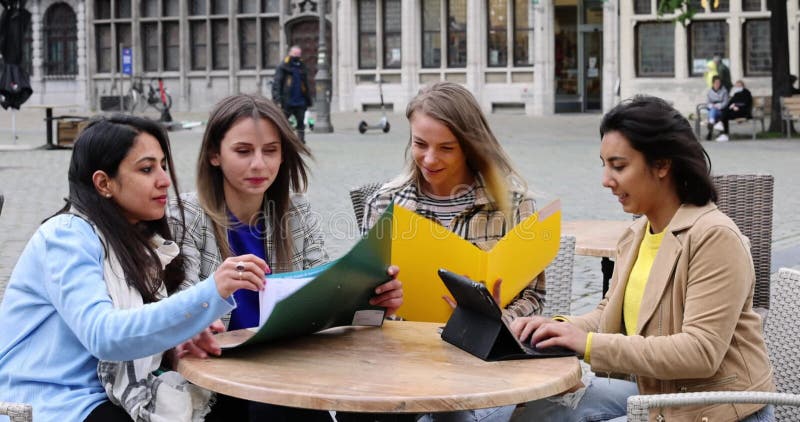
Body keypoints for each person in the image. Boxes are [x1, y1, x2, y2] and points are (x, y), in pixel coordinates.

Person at [512, 95, 775, 422]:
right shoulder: (636, 235)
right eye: (604, 165)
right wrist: (554, 329)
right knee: (540, 409)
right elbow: (608, 313)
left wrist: (588, 344)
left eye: (619, 166)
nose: (606, 180)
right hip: (662, 394)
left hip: (719, 407)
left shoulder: (714, 236)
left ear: (663, 164)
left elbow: (701, 352)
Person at [0, 115, 268, 421]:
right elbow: (104, 335)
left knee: (245, 404)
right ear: (103, 183)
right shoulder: (65, 236)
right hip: (53, 401)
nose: (164, 180)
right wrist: (211, 291)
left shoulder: (143, 242)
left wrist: (177, 338)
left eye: (163, 166)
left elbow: (136, 332)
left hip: (111, 392)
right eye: (146, 168)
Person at [169, 93, 404, 420]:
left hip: (288, 371)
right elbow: (180, 311)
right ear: (213, 154)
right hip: (218, 380)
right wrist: (216, 290)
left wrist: (373, 302)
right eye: (243, 151)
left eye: (270, 151)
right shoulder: (185, 215)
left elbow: (325, 295)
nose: (258, 164)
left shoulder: (296, 211)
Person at [358, 81, 545, 422]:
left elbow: (533, 296)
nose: (430, 159)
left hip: (481, 362)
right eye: (420, 144)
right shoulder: (385, 203)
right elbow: (362, 307)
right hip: (403, 363)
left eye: (446, 148)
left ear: (470, 147)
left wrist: (497, 316)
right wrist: (379, 301)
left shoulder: (515, 204)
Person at [271, 45, 313, 143]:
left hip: (300, 101)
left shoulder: (301, 66)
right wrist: (277, 99)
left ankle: (301, 141)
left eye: (298, 54)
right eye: (295, 54)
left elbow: (305, 84)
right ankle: (282, 141)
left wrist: (308, 100)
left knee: (301, 123)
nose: (297, 56)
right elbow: (277, 83)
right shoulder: (283, 66)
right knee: (283, 123)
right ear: (290, 53)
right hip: (287, 101)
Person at [706, 75, 729, 141]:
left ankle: (711, 122)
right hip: (712, 109)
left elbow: (725, 102)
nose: (718, 84)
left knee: (713, 111)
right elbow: (707, 103)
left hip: (721, 110)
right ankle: (712, 121)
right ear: (713, 83)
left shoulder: (724, 91)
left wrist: (718, 105)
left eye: (719, 83)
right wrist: (711, 105)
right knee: (713, 109)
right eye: (716, 83)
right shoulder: (709, 92)